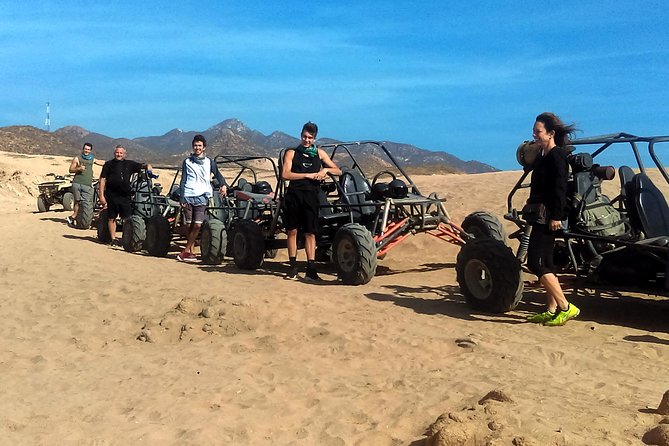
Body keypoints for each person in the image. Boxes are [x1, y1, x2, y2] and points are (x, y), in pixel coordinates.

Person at [525, 112, 580, 326]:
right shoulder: (543, 156)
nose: (535, 135)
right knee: (547, 262)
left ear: (551, 133)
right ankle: (551, 309)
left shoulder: (557, 156)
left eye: (538, 131)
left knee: (535, 262)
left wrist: (557, 215)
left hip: (549, 216)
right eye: (534, 131)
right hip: (540, 214)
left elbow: (560, 188)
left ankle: (566, 307)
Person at [281, 121, 341, 280]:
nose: (306, 140)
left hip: (311, 196)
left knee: (310, 232)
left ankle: (311, 269)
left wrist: (326, 170)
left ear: (314, 139)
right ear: (300, 135)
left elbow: (338, 171)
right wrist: (306, 175)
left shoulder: (320, 154)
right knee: (292, 231)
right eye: (304, 136)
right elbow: (285, 174)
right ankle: (293, 267)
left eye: (310, 137)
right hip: (294, 194)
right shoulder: (292, 153)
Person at [177, 134, 227, 262]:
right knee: (189, 225)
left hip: (202, 196)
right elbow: (183, 180)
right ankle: (191, 253)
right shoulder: (187, 162)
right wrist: (182, 197)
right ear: (193, 147)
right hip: (188, 195)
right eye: (195, 145)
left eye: (200, 146)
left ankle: (185, 251)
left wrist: (223, 185)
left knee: (198, 225)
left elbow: (218, 175)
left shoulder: (210, 162)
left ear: (204, 147)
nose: (197, 148)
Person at [99, 145, 153, 246]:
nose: (118, 154)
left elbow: (142, 166)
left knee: (127, 219)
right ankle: (113, 239)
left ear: (124, 154)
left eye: (121, 153)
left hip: (125, 196)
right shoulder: (108, 164)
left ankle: (126, 238)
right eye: (117, 152)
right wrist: (101, 195)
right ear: (114, 153)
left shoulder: (129, 164)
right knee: (112, 217)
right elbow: (102, 179)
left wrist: (148, 166)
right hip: (111, 195)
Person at [67, 142, 105, 225]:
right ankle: (74, 216)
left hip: (87, 184)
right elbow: (70, 170)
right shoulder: (77, 158)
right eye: (85, 149)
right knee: (77, 201)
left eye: (88, 149)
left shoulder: (92, 159)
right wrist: (78, 168)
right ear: (83, 149)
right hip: (77, 183)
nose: (86, 151)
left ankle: (80, 218)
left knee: (87, 202)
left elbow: (100, 162)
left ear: (90, 150)